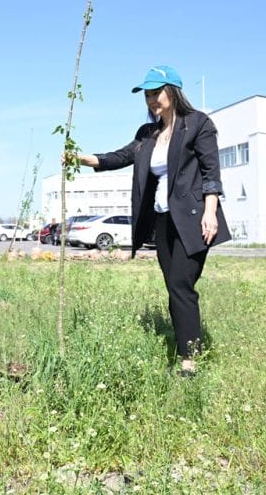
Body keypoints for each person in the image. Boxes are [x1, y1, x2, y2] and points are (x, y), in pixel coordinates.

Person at [73, 65, 230, 377]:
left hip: (194, 219)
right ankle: (186, 344)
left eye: (156, 92)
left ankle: (189, 361)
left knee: (181, 285)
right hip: (162, 221)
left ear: (172, 91)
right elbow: (121, 156)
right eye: (147, 94)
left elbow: (211, 173)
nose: (151, 99)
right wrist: (84, 158)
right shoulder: (148, 134)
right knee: (174, 286)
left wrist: (211, 212)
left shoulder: (197, 124)